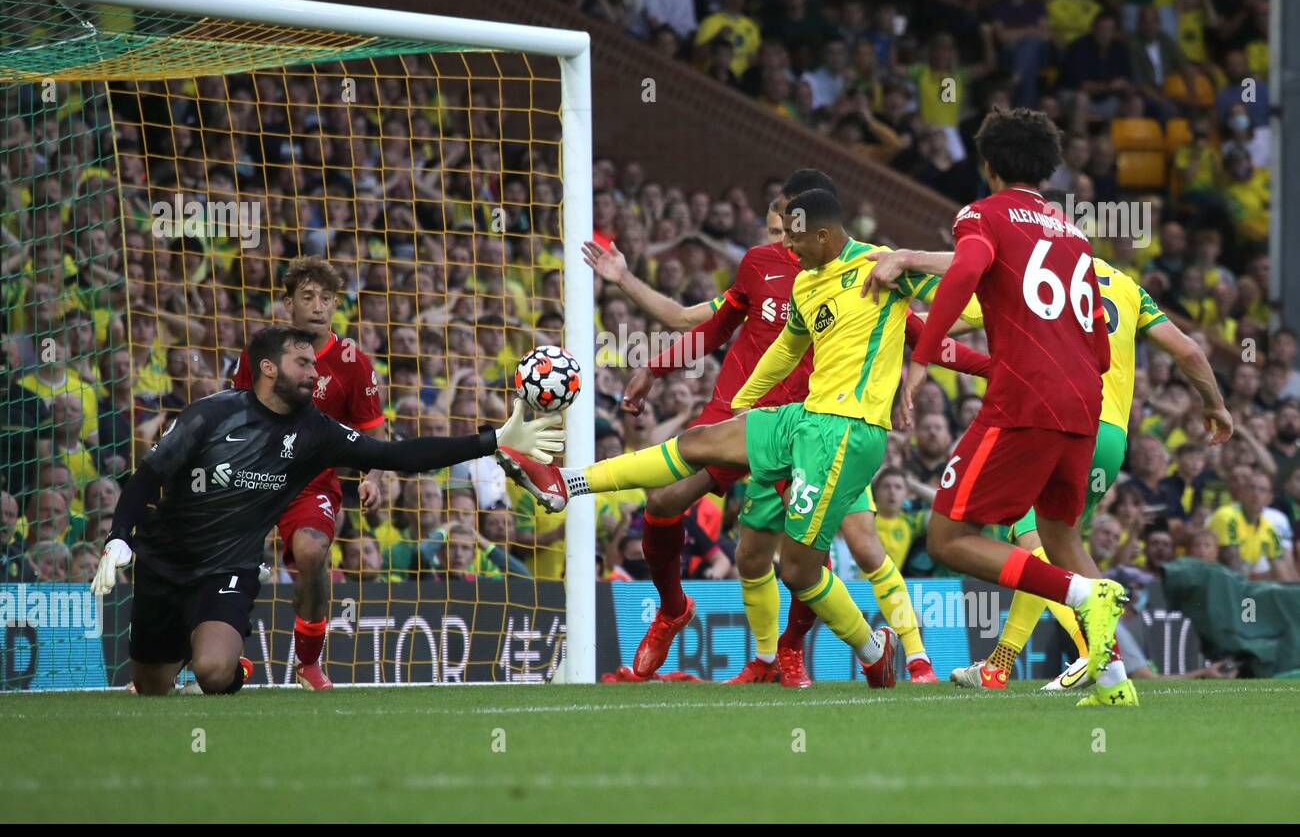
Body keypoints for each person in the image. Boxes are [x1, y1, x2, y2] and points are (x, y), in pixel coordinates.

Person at [501, 189, 991, 687]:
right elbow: (776, 347)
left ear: (821, 233)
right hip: (795, 418)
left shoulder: (880, 267)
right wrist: (743, 400)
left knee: (807, 567)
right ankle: (565, 483)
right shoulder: (798, 281)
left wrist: (918, 271)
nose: (787, 249)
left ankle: (881, 650)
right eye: (781, 237)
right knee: (699, 453)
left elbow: (965, 289)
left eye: (792, 238)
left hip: (845, 435)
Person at [93, 325, 562, 696]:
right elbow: (148, 476)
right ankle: (178, 650)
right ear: (268, 368)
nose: (314, 373)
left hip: (227, 569)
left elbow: (398, 455)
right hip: (164, 562)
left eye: (315, 364)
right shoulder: (210, 416)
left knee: (213, 673)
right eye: (302, 363)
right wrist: (119, 537)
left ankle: (230, 664)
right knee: (152, 690)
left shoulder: (316, 431)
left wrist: (493, 440)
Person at [861, 107, 1133, 706]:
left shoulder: (979, 214)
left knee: (950, 536)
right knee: (1061, 532)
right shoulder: (1073, 234)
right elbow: (1098, 340)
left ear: (987, 164)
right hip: (1085, 399)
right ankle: (1113, 683)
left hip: (1025, 399)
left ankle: (1085, 596)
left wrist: (921, 360)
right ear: (1048, 166)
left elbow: (967, 270)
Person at [229, 256, 387, 690]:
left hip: (311, 481)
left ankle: (309, 662)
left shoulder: (353, 361)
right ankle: (183, 657)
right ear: (288, 305)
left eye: (327, 298)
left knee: (314, 553)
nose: (318, 306)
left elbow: (373, 429)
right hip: (253, 475)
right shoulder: (262, 350)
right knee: (221, 552)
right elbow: (234, 414)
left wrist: (372, 476)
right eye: (307, 297)